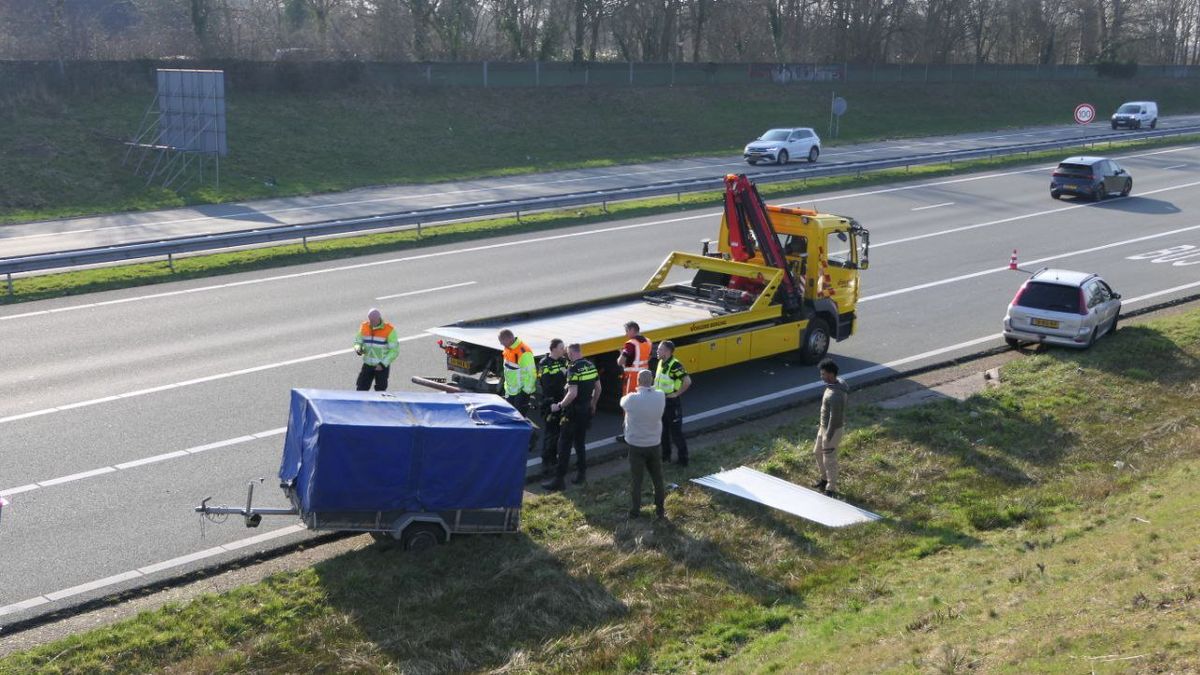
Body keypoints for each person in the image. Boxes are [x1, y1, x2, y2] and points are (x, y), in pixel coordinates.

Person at [541, 343, 601, 491]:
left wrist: (560, 405)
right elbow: (598, 388)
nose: (567, 356)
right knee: (580, 443)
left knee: (564, 445)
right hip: (586, 410)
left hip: (572, 413)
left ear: (572, 353)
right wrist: (593, 404)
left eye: (568, 353)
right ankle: (581, 474)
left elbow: (572, 393)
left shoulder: (573, 368)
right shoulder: (590, 365)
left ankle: (559, 480)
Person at [621, 369, 667, 519]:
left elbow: (622, 403)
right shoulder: (660, 396)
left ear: (638, 381)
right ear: (652, 380)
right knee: (657, 478)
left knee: (637, 480)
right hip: (654, 443)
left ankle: (635, 511)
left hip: (636, 445)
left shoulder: (632, 399)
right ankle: (660, 509)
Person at [812, 357, 849, 497]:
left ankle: (831, 488)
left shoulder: (836, 395)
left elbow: (835, 418)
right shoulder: (835, 384)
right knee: (817, 452)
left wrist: (828, 434)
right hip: (824, 427)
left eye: (823, 374)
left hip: (832, 430)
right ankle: (824, 479)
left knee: (829, 459)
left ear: (831, 374)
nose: (821, 377)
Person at [654, 340, 692, 466]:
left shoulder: (675, 365)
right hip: (661, 401)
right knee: (663, 431)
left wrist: (676, 394)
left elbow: (687, 381)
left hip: (671, 403)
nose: (657, 351)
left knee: (676, 433)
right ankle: (666, 456)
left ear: (667, 351)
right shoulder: (661, 362)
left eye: (660, 349)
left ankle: (683, 460)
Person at [536, 338, 569, 478]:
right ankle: (546, 462)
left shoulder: (563, 361)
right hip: (550, 402)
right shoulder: (544, 363)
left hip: (562, 401)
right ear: (554, 349)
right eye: (562, 348)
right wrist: (550, 404)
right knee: (550, 432)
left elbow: (568, 379)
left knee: (560, 432)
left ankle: (554, 458)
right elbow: (546, 385)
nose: (564, 350)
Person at [353, 308, 399, 391]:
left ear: (379, 318)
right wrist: (358, 348)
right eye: (370, 320)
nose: (371, 322)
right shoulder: (364, 326)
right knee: (361, 389)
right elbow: (358, 341)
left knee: (380, 391)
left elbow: (394, 351)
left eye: (373, 320)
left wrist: (382, 364)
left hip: (381, 366)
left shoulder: (389, 330)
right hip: (367, 365)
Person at [497, 328, 536, 413]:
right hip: (510, 391)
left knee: (519, 419)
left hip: (520, 393)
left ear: (509, 339)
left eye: (502, 341)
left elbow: (531, 374)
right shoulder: (508, 348)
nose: (501, 343)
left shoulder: (524, 352)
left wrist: (525, 392)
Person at [616, 321, 652, 396]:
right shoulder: (648, 341)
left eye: (627, 331)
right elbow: (649, 356)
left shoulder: (631, 344)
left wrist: (621, 353)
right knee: (644, 397)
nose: (625, 334)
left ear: (632, 330)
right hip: (645, 375)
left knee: (630, 400)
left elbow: (620, 362)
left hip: (633, 377)